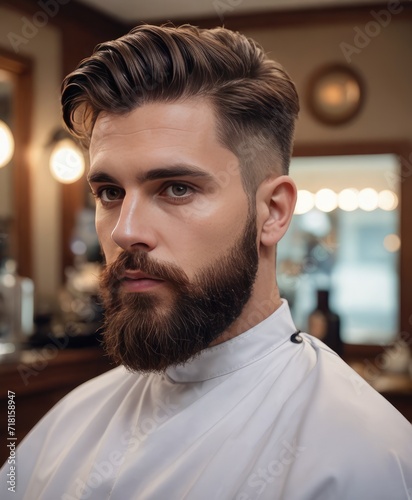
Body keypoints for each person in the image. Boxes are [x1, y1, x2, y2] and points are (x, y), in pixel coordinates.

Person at [1, 23, 411, 500]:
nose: (124, 231)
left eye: (177, 188)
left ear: (273, 212)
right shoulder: (68, 422)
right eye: (110, 192)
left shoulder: (359, 459)